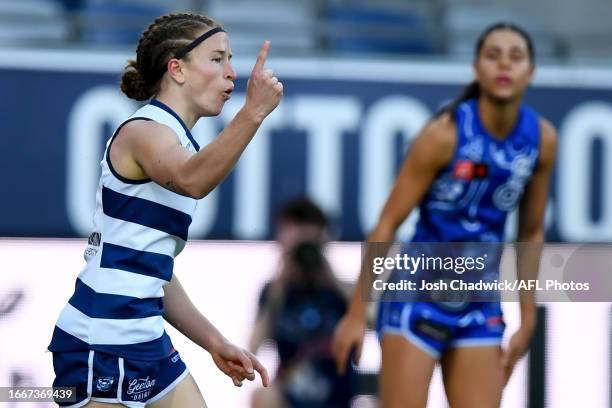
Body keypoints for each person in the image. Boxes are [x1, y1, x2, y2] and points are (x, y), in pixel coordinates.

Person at [48, 13, 282, 407]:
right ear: (177, 69)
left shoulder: (177, 140)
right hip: (101, 340)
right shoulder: (145, 130)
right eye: (217, 59)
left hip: (145, 339)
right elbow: (193, 179)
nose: (232, 73)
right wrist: (252, 112)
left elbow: (154, 273)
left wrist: (214, 342)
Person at [332, 22, 557, 408]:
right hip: (415, 297)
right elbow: (387, 223)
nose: (504, 65)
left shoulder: (541, 140)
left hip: (480, 302)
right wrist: (356, 314)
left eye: (516, 57)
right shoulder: (444, 135)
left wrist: (528, 317)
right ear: (476, 68)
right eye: (493, 55)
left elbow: (531, 232)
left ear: (531, 72)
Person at [249, 198, 356, 408]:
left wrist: (329, 276)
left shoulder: (341, 290)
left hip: (340, 398)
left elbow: (371, 322)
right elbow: (254, 347)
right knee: (262, 397)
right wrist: (281, 281)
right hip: (291, 396)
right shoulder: (274, 292)